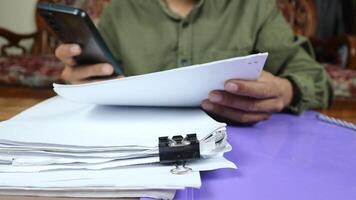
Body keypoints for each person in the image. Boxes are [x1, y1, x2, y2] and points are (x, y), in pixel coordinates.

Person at [55, 0, 333, 124]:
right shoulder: (121, 9)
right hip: (134, 149)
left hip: (240, 147)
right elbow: (99, 76)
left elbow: (316, 79)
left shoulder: (254, 6)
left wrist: (287, 91)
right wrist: (84, 79)